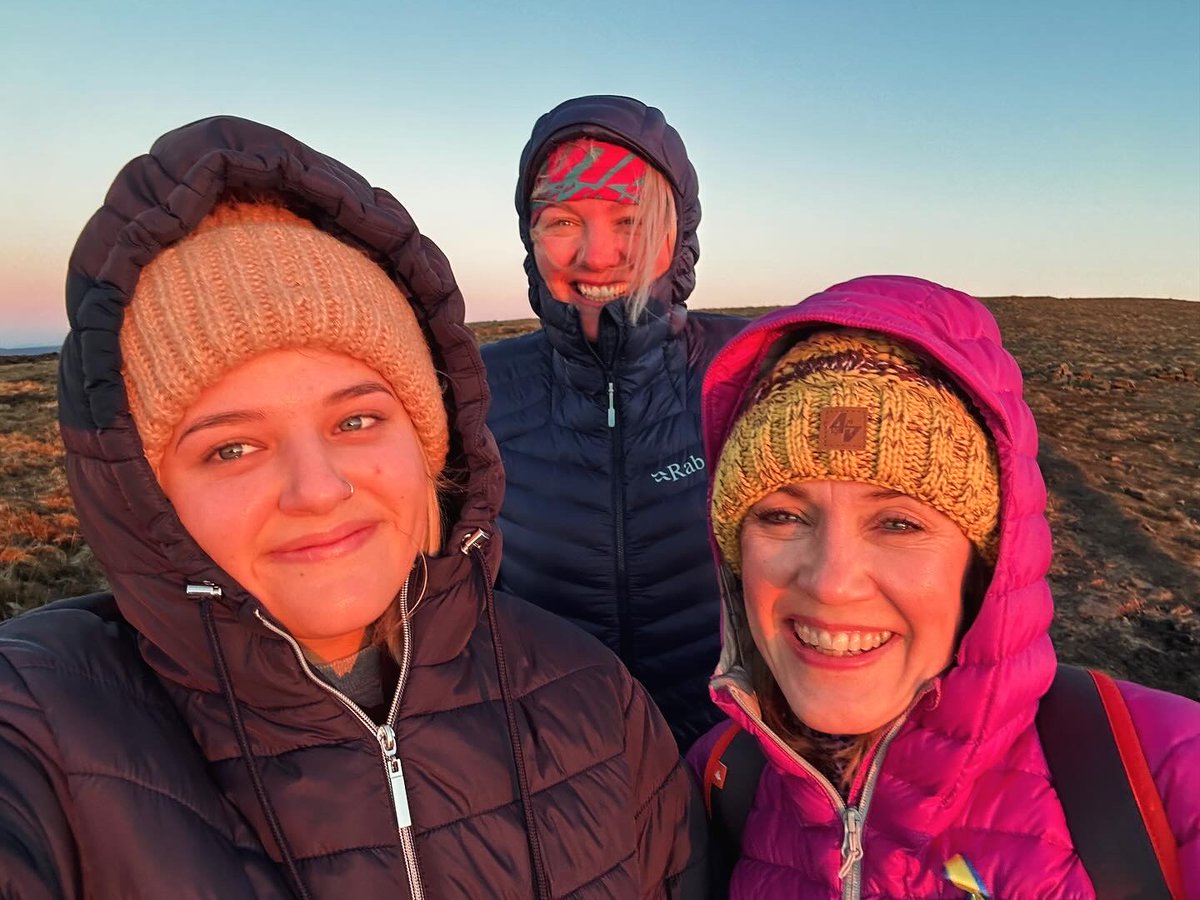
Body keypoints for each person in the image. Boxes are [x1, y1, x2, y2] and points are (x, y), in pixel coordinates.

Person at [0, 115, 708, 898]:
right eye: (230, 447)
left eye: (356, 420)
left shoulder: (594, 699)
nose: (318, 490)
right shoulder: (47, 728)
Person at [687, 274, 1199, 896]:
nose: (831, 582)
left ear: (986, 559)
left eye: (898, 522)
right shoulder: (718, 781)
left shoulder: (1168, 780)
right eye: (782, 516)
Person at [482, 95, 745, 751]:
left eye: (629, 219)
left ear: (675, 235)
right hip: (557, 769)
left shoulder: (750, 372)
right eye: (563, 220)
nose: (596, 256)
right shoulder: (477, 392)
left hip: (732, 761)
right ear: (530, 237)